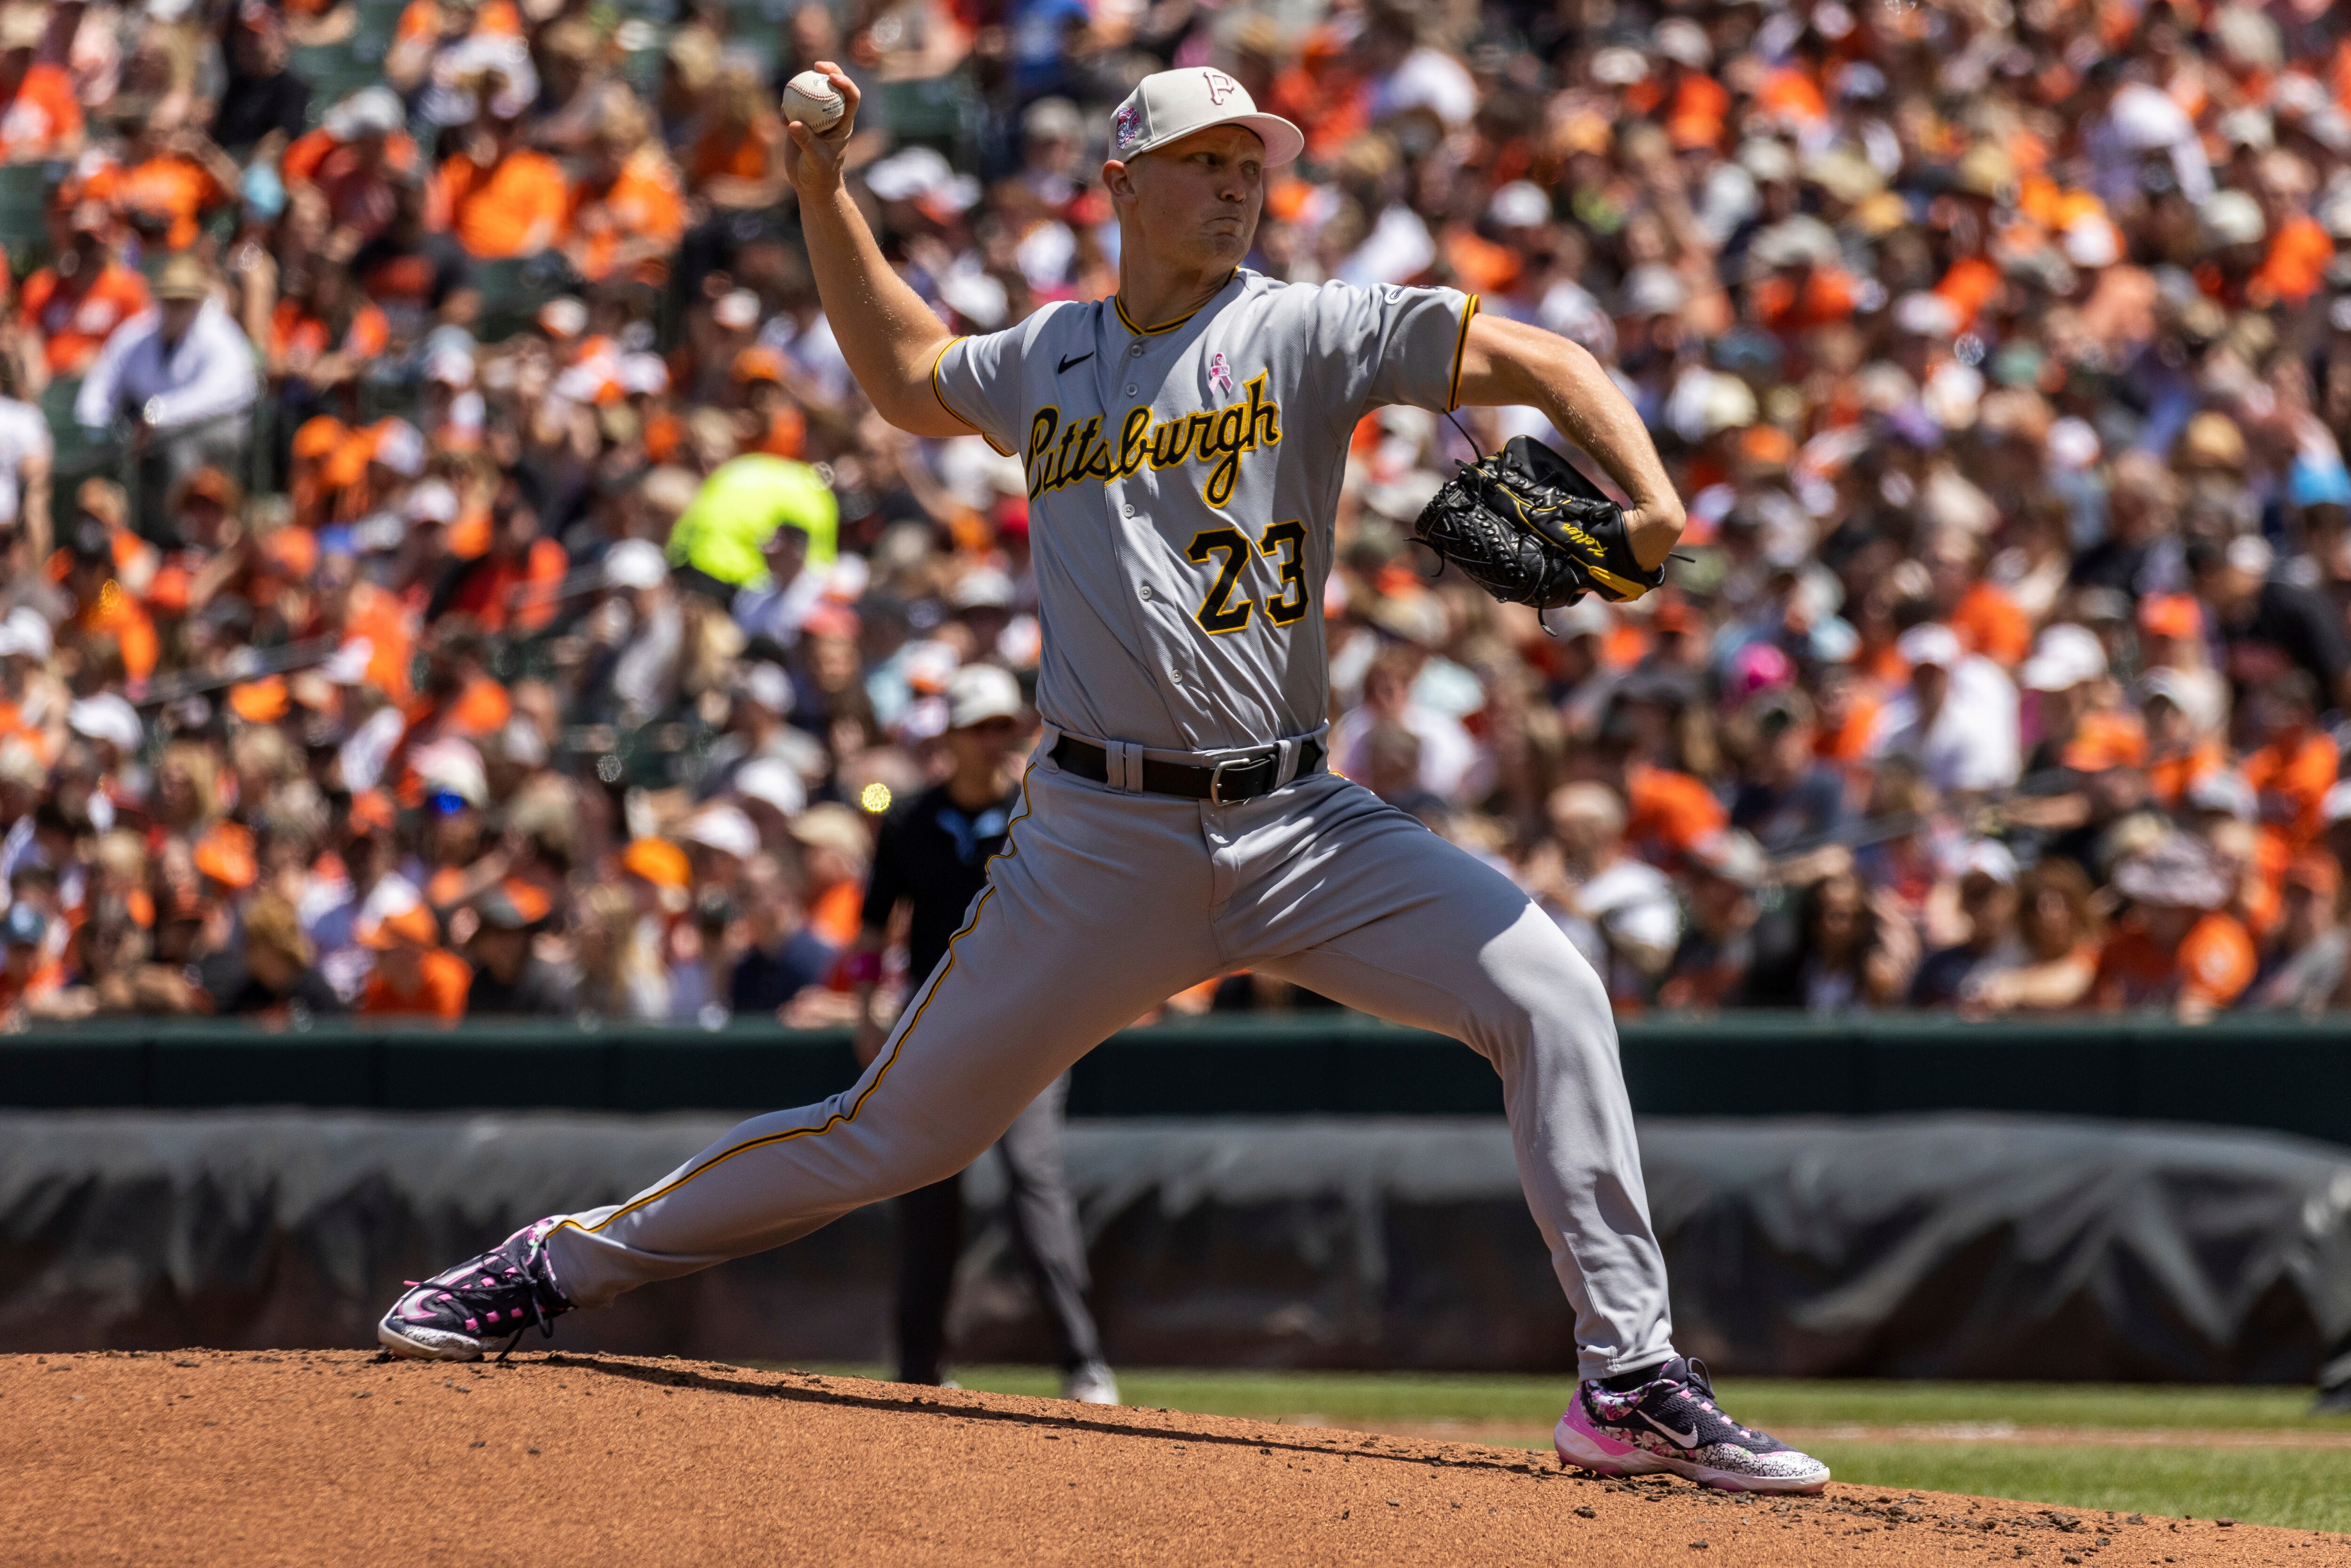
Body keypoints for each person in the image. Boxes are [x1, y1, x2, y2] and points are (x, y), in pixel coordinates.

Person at [378, 65, 1830, 1497]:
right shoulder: (1048, 354)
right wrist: (822, 194)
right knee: (897, 1134)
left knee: (1552, 994)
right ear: (1122, 184)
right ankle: (545, 1265)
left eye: (1250, 160)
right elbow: (896, 374)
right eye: (1205, 159)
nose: (1237, 181)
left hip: (1300, 823)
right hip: (1099, 838)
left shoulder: (1307, 328)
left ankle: (1627, 1377)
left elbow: (1546, 361)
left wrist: (1642, 494)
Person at [856, 662, 1117, 1403]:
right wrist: (865, 1007)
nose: (996, 738)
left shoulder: (1040, 811)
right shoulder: (907, 818)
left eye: (1005, 724)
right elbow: (876, 924)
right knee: (927, 1186)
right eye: (981, 726)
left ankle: (1083, 1361)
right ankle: (917, 1366)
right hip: (934, 1023)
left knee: (1035, 1180)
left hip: (1027, 1020)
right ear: (953, 735)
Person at [74, 254, 259, 537]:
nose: (176, 308)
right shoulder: (138, 334)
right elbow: (102, 384)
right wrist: (98, 427)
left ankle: (183, 538)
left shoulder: (221, 335)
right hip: (150, 433)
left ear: (198, 302)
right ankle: (123, 538)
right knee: (111, 453)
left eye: (184, 300)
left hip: (217, 427)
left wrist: (158, 418)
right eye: (170, 299)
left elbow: (225, 392)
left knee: (179, 449)